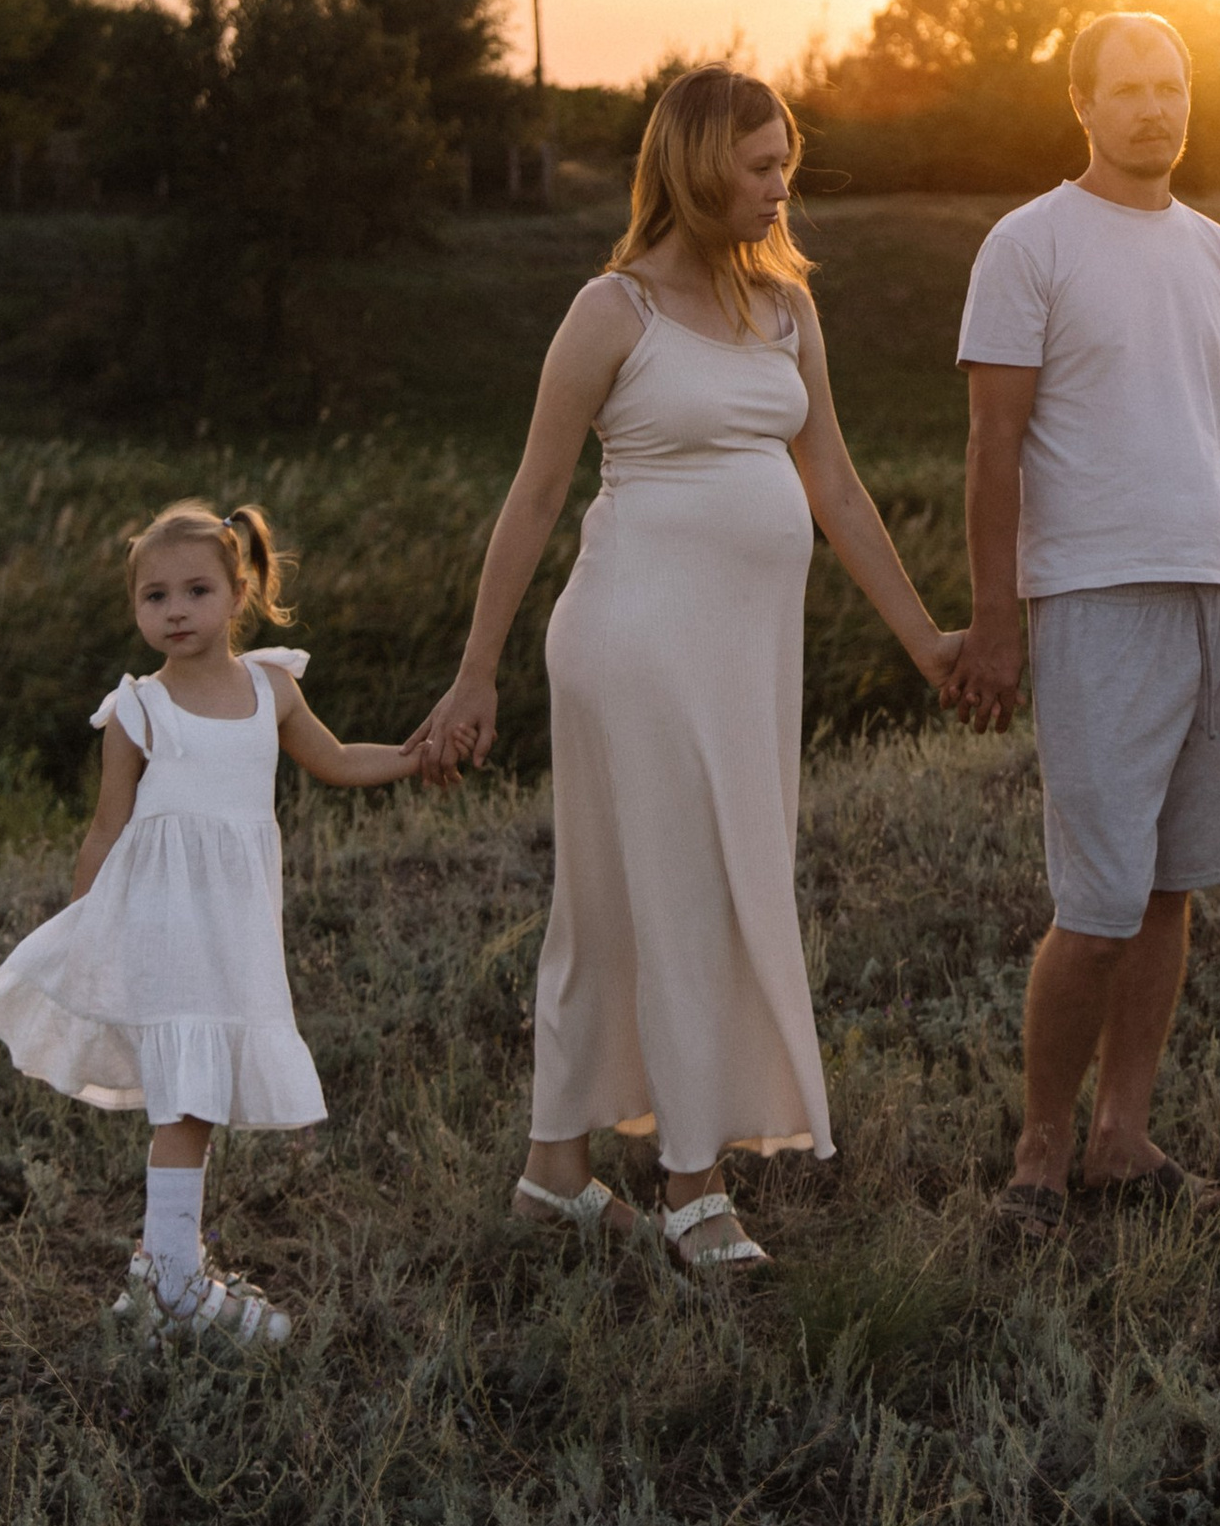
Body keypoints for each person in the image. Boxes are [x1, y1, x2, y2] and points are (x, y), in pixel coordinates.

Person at [410, 65, 957, 1275]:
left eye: (786, 165)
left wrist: (929, 641)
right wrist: (474, 673)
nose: (781, 189)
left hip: (745, 654)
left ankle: (555, 1168)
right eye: (761, 167)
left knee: (620, 899)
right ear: (702, 167)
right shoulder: (614, 312)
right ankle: (693, 1185)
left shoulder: (785, 311)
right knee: (683, 889)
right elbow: (537, 494)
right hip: (635, 641)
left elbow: (840, 491)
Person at [944, 9, 1220, 1232]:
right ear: (1081, 102)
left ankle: (1124, 1134)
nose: (1155, 109)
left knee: (1173, 887)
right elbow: (991, 442)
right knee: (1099, 901)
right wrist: (995, 620)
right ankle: (1041, 1151)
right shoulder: (1028, 243)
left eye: (1172, 87)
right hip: (1096, 598)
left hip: (1217, 592)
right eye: (1128, 88)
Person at [0, 500, 424, 1343]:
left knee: (196, 1099)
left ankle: (160, 1270)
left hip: (234, 932)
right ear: (136, 607)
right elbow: (106, 827)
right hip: (162, 927)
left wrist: (416, 755)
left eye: (197, 590)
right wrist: (88, 923)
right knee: (187, 1095)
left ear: (239, 591)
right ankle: (172, 1280)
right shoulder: (137, 709)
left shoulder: (271, 688)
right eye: (154, 596)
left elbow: (339, 758)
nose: (175, 610)